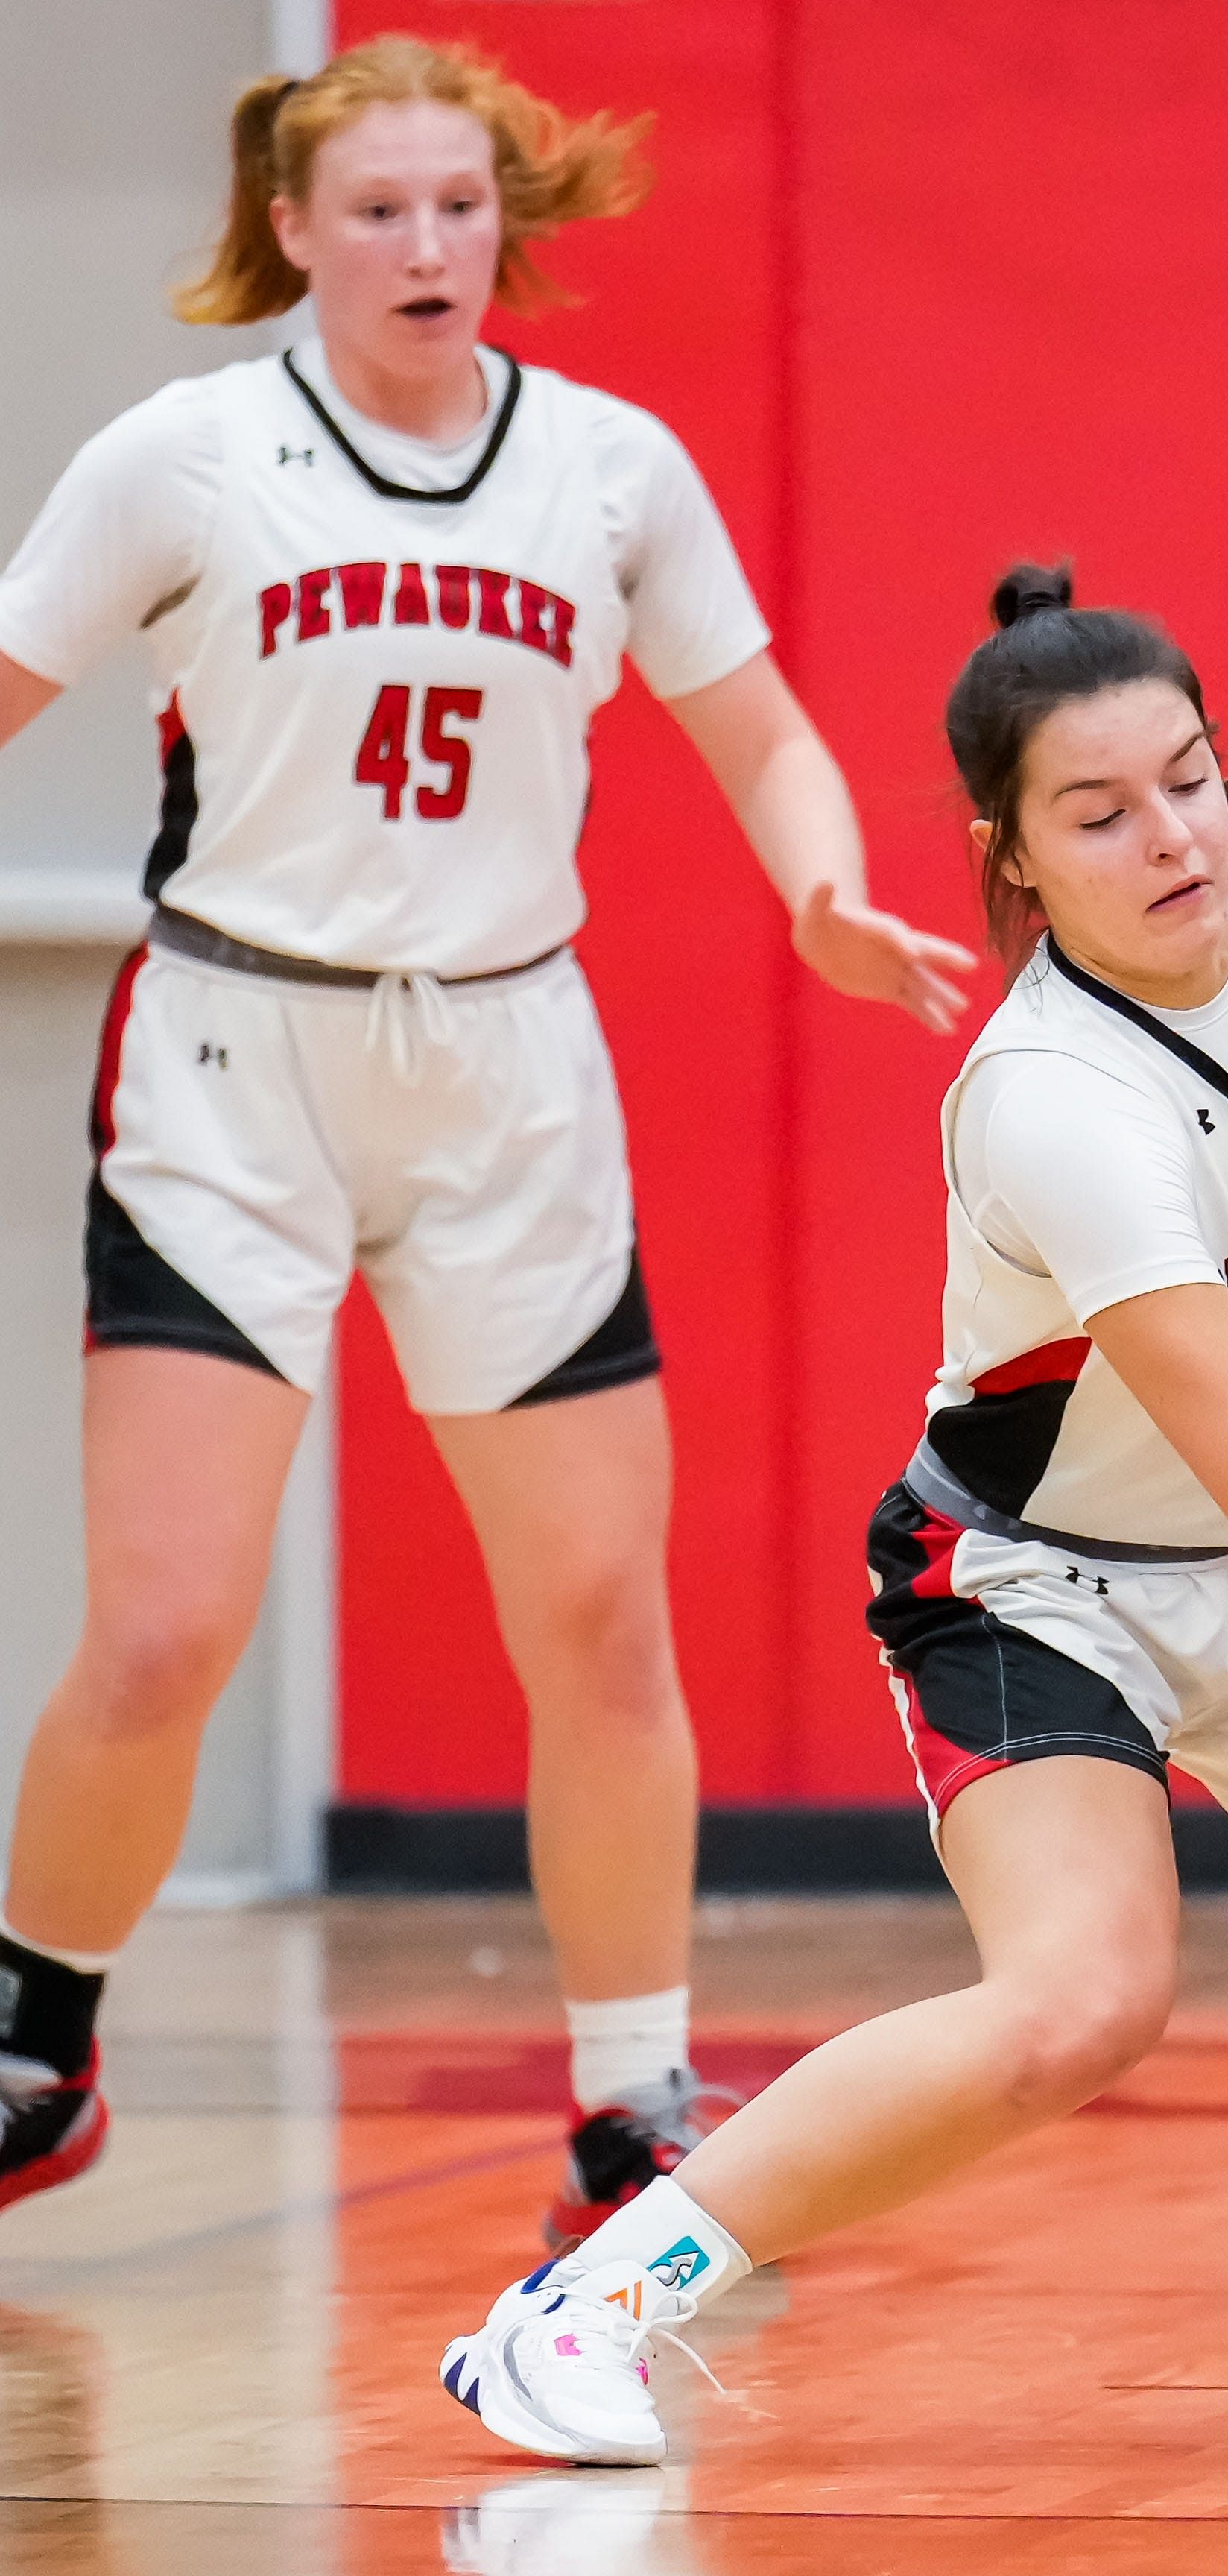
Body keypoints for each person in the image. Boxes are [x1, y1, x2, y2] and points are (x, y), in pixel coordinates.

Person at [440, 572, 1228, 2466]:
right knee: (1080, 2000)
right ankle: (591, 2304)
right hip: (1033, 1583)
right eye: (1102, 812)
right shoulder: (1049, 1093)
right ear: (1014, 860)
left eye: (1194, 779)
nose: (1172, 837)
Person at [0, 39, 974, 2250]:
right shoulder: (188, 454)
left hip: (509, 1068)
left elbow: (763, 728)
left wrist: (818, 884)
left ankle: (635, 2095)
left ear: (504, 224)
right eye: (377, 212)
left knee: (602, 1615)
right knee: (161, 1628)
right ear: (296, 237)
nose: (425, 246)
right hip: (236, 1055)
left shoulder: (614, 471)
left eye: (458, 207)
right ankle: (38, 2044)